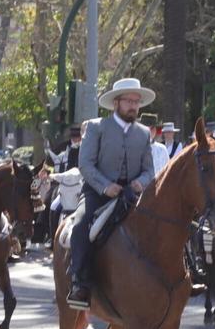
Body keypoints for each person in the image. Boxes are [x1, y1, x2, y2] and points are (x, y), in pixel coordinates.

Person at [67, 78, 157, 308]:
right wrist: (105, 186)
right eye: (129, 101)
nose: (134, 106)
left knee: (163, 221)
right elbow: (85, 164)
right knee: (81, 225)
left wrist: (139, 183)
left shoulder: (144, 133)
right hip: (98, 192)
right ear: (116, 102)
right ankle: (79, 282)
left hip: (132, 194)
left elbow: (149, 170)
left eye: (137, 102)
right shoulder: (96, 127)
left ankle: (183, 273)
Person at [141, 113, 171, 178]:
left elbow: (168, 172)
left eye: (152, 128)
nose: (149, 131)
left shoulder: (162, 149)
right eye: (146, 128)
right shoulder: (133, 148)